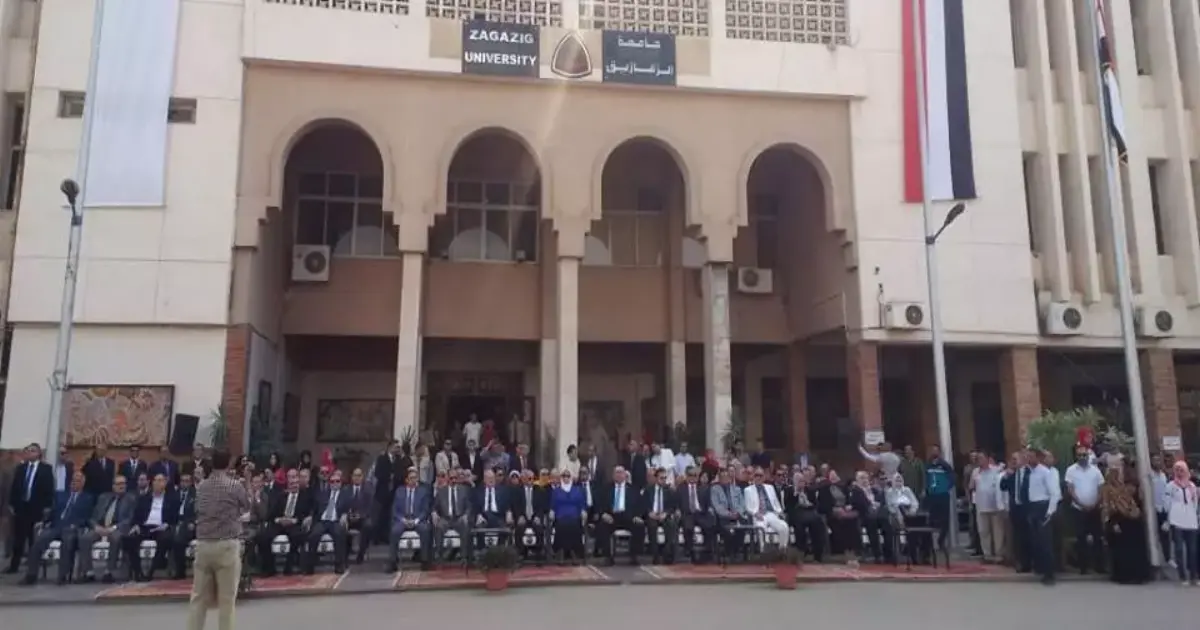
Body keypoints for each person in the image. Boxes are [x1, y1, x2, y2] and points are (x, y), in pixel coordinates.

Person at [186, 450, 250, 630]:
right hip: (226, 545)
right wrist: (247, 481)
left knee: (198, 597)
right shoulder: (234, 485)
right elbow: (247, 505)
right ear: (229, 463)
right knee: (226, 601)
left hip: (203, 544)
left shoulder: (202, 487)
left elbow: (198, 509)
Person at [20, 471, 92, 585]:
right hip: (56, 526)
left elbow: (88, 517)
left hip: (72, 528)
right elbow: (53, 512)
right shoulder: (61, 495)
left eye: (77, 481)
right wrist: (44, 522)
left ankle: (62, 576)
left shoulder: (88, 498)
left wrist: (77, 524)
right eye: (73, 480)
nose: (74, 483)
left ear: (83, 483)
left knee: (67, 542)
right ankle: (31, 575)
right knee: (38, 542)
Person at [6, 443, 54, 575]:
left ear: (39, 453)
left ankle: (32, 567)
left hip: (37, 508)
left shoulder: (46, 469)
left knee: (34, 539)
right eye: (28, 450)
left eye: (33, 450)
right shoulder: (21, 468)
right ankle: (14, 565)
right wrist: (12, 503)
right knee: (18, 538)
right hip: (21, 507)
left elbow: (49, 488)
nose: (30, 453)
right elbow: (15, 486)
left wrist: (47, 506)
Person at [1100, 466, 1150, 585]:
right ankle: (1123, 575)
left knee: (1134, 548)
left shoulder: (1122, 487)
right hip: (1116, 521)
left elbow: (1131, 504)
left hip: (1130, 522)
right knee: (1120, 551)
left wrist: (1134, 513)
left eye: (1117, 474)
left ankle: (1137, 575)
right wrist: (1112, 523)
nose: (1115, 477)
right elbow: (1107, 508)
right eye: (1113, 474)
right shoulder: (1106, 489)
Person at [1064, 445, 1105, 574]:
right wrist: (1081, 504)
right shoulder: (1071, 470)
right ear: (1076, 457)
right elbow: (1070, 490)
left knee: (1097, 538)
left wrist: (1095, 503)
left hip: (1094, 508)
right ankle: (1083, 567)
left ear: (1088, 456)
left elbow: (1101, 489)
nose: (1082, 457)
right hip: (1078, 509)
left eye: (1084, 455)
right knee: (1081, 538)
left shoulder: (1095, 471)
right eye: (1080, 455)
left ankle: (1099, 566)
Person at [1026, 449, 1061, 586]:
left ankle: (1049, 574)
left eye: (1031, 457)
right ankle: (1041, 569)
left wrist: (1050, 512)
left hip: (1043, 507)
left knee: (1046, 543)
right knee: (1037, 542)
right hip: (1033, 507)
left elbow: (1054, 493)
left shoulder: (1045, 472)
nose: (1029, 459)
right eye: (1028, 456)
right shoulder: (1031, 472)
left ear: (1038, 458)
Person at [1165, 461, 1199, 585]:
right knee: (1179, 549)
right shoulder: (1171, 486)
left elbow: (1194, 502)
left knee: (1192, 549)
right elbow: (1167, 503)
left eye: (1182, 470)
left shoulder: (1191, 486)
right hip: (1176, 519)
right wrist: (1168, 519)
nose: (1180, 473)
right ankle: (1183, 576)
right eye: (1177, 470)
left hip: (1190, 520)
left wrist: (1195, 515)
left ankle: (1193, 576)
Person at [550, 469, 586, 561]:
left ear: (571, 478)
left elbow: (582, 504)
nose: (566, 478)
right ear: (561, 478)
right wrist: (552, 512)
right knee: (562, 526)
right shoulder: (556, 491)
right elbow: (552, 505)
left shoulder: (577, 490)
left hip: (574, 516)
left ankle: (574, 552)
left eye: (568, 476)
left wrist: (583, 511)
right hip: (560, 516)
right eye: (564, 476)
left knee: (574, 526)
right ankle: (561, 552)